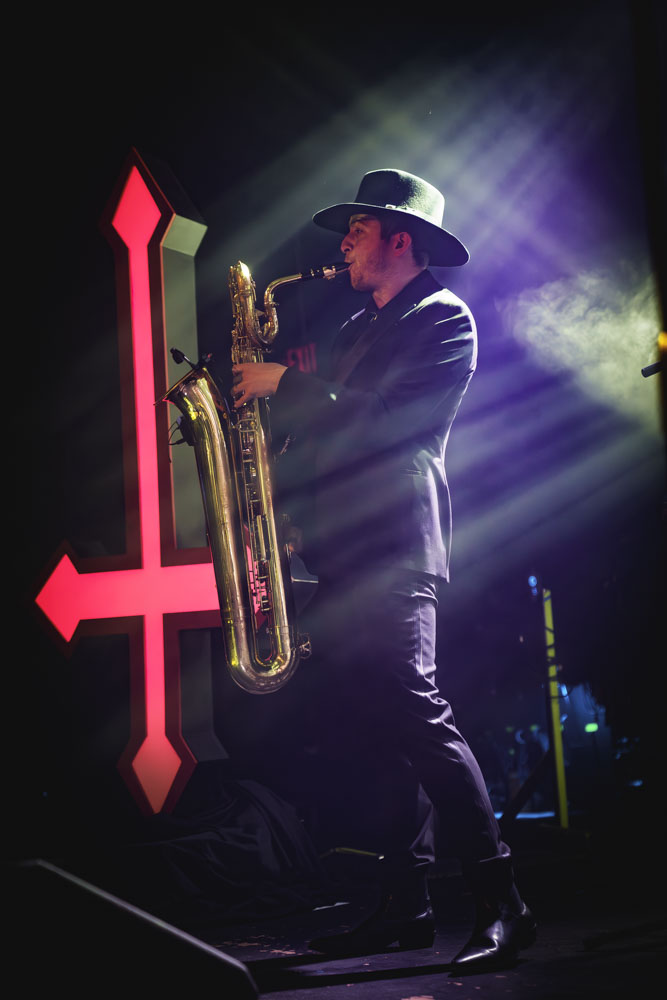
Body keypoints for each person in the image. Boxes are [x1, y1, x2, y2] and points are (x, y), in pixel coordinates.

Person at [231, 169, 536, 971]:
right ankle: (405, 906)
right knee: (374, 730)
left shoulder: (444, 321)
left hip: (396, 546)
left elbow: (388, 425)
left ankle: (503, 904)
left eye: (357, 231)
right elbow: (326, 438)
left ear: (401, 240)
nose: (343, 246)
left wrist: (286, 384)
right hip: (342, 547)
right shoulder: (353, 328)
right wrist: (284, 509)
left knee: (419, 720)